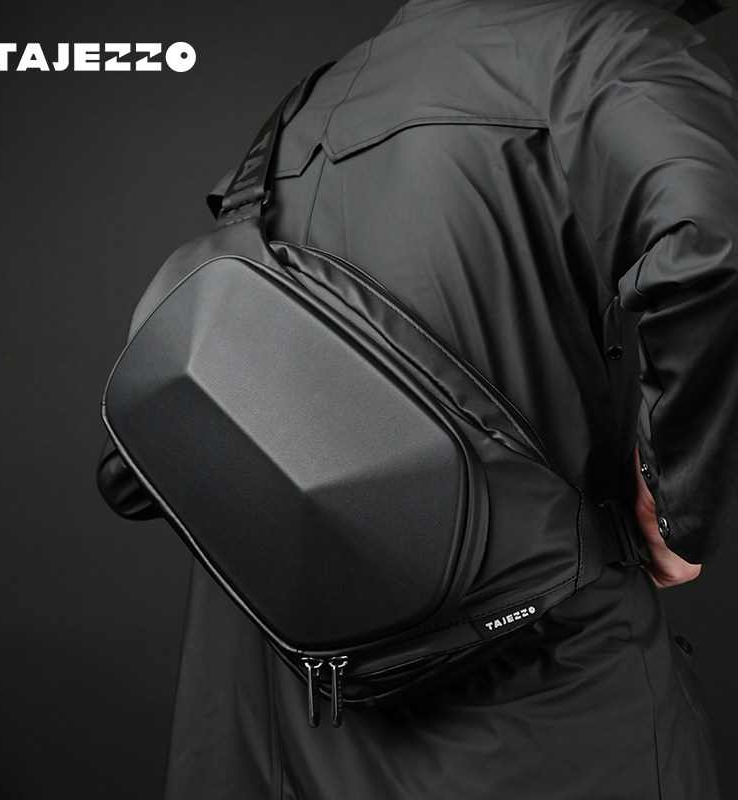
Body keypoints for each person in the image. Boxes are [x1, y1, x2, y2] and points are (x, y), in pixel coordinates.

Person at [100, 0, 738, 796]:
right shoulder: (604, 49)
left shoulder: (302, 115)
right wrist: (679, 501)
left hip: (284, 709)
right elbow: (717, 246)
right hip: (537, 707)